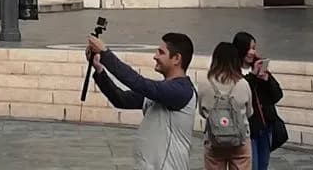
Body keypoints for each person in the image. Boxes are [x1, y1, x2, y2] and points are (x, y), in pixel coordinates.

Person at [86, 30, 197, 170]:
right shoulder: (162, 91)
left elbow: (138, 83)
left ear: (176, 59)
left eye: (161, 52)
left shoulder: (181, 90)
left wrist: (105, 53)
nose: (155, 56)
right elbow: (121, 99)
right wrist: (99, 70)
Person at [197, 41, 253, 170]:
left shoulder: (205, 83)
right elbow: (249, 112)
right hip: (240, 140)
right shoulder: (243, 84)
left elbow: (202, 111)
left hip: (214, 140)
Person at [233, 32, 284, 170]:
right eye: (250, 48)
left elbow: (277, 95)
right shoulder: (233, 72)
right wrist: (253, 76)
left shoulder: (260, 66)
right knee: (252, 166)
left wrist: (266, 80)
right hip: (248, 130)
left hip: (265, 126)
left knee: (263, 165)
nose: (252, 52)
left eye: (254, 48)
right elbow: (240, 93)